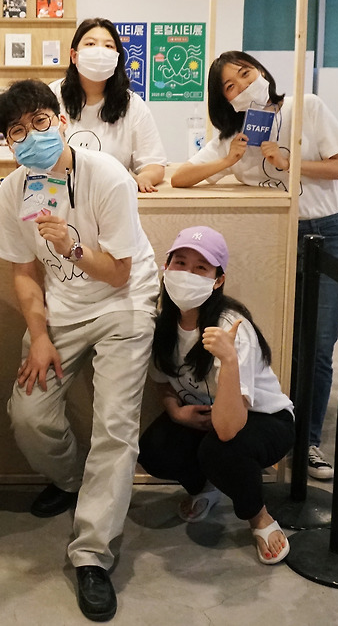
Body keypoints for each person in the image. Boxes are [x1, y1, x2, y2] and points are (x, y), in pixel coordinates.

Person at [0, 79, 159, 622]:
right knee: (28, 414)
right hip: (62, 309)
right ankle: (72, 482)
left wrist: (71, 245)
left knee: (115, 426)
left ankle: (92, 553)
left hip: (123, 302)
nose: (30, 137)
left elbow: (119, 273)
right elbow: (23, 272)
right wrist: (39, 336)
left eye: (39, 122)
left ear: (61, 122)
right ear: (7, 143)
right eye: (16, 132)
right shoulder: (14, 190)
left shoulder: (107, 176)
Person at [171, 51, 338, 481]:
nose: (243, 86)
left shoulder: (305, 107)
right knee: (280, 340)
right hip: (275, 239)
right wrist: (228, 161)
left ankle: (308, 441)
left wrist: (291, 164)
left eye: (245, 73)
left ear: (262, 72)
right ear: (225, 100)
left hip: (324, 230)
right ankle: (275, 434)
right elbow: (179, 179)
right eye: (230, 86)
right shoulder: (234, 136)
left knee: (319, 344)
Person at [136, 226, 296, 565]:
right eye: (180, 263)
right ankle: (204, 488)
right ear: (166, 267)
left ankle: (258, 515)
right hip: (208, 418)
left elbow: (228, 428)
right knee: (152, 449)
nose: (187, 274)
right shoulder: (162, 325)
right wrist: (176, 412)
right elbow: (162, 381)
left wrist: (228, 359)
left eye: (201, 268)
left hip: (263, 420)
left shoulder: (232, 328)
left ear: (218, 280)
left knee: (221, 450)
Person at [49, 17, 166, 192]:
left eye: (109, 46)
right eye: (90, 44)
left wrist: (144, 178)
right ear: (74, 55)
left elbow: (154, 163)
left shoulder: (132, 105)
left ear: (116, 58)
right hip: (57, 196)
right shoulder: (51, 96)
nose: (99, 51)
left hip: (110, 197)